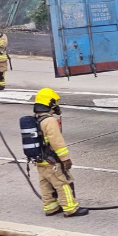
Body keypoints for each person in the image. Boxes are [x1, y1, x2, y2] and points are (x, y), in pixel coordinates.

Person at [32, 88, 88, 217]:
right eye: (55, 103)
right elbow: (57, 142)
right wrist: (65, 159)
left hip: (40, 160)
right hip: (52, 160)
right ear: (50, 103)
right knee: (62, 183)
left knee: (45, 183)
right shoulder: (49, 121)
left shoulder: (36, 119)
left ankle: (50, 207)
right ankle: (70, 208)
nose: (57, 105)